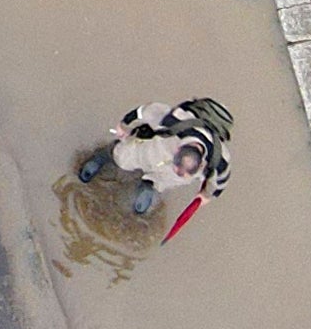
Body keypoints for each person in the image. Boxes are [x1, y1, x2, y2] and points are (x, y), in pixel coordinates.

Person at [77, 97, 233, 236]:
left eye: (186, 172)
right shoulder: (174, 121)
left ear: (202, 165)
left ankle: (149, 186)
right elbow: (143, 112)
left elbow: (220, 182)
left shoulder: (219, 160)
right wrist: (124, 126)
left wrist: (206, 195)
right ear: (178, 150)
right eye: (178, 165)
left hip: (166, 177)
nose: (178, 171)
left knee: (155, 188)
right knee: (122, 157)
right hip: (153, 149)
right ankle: (103, 157)